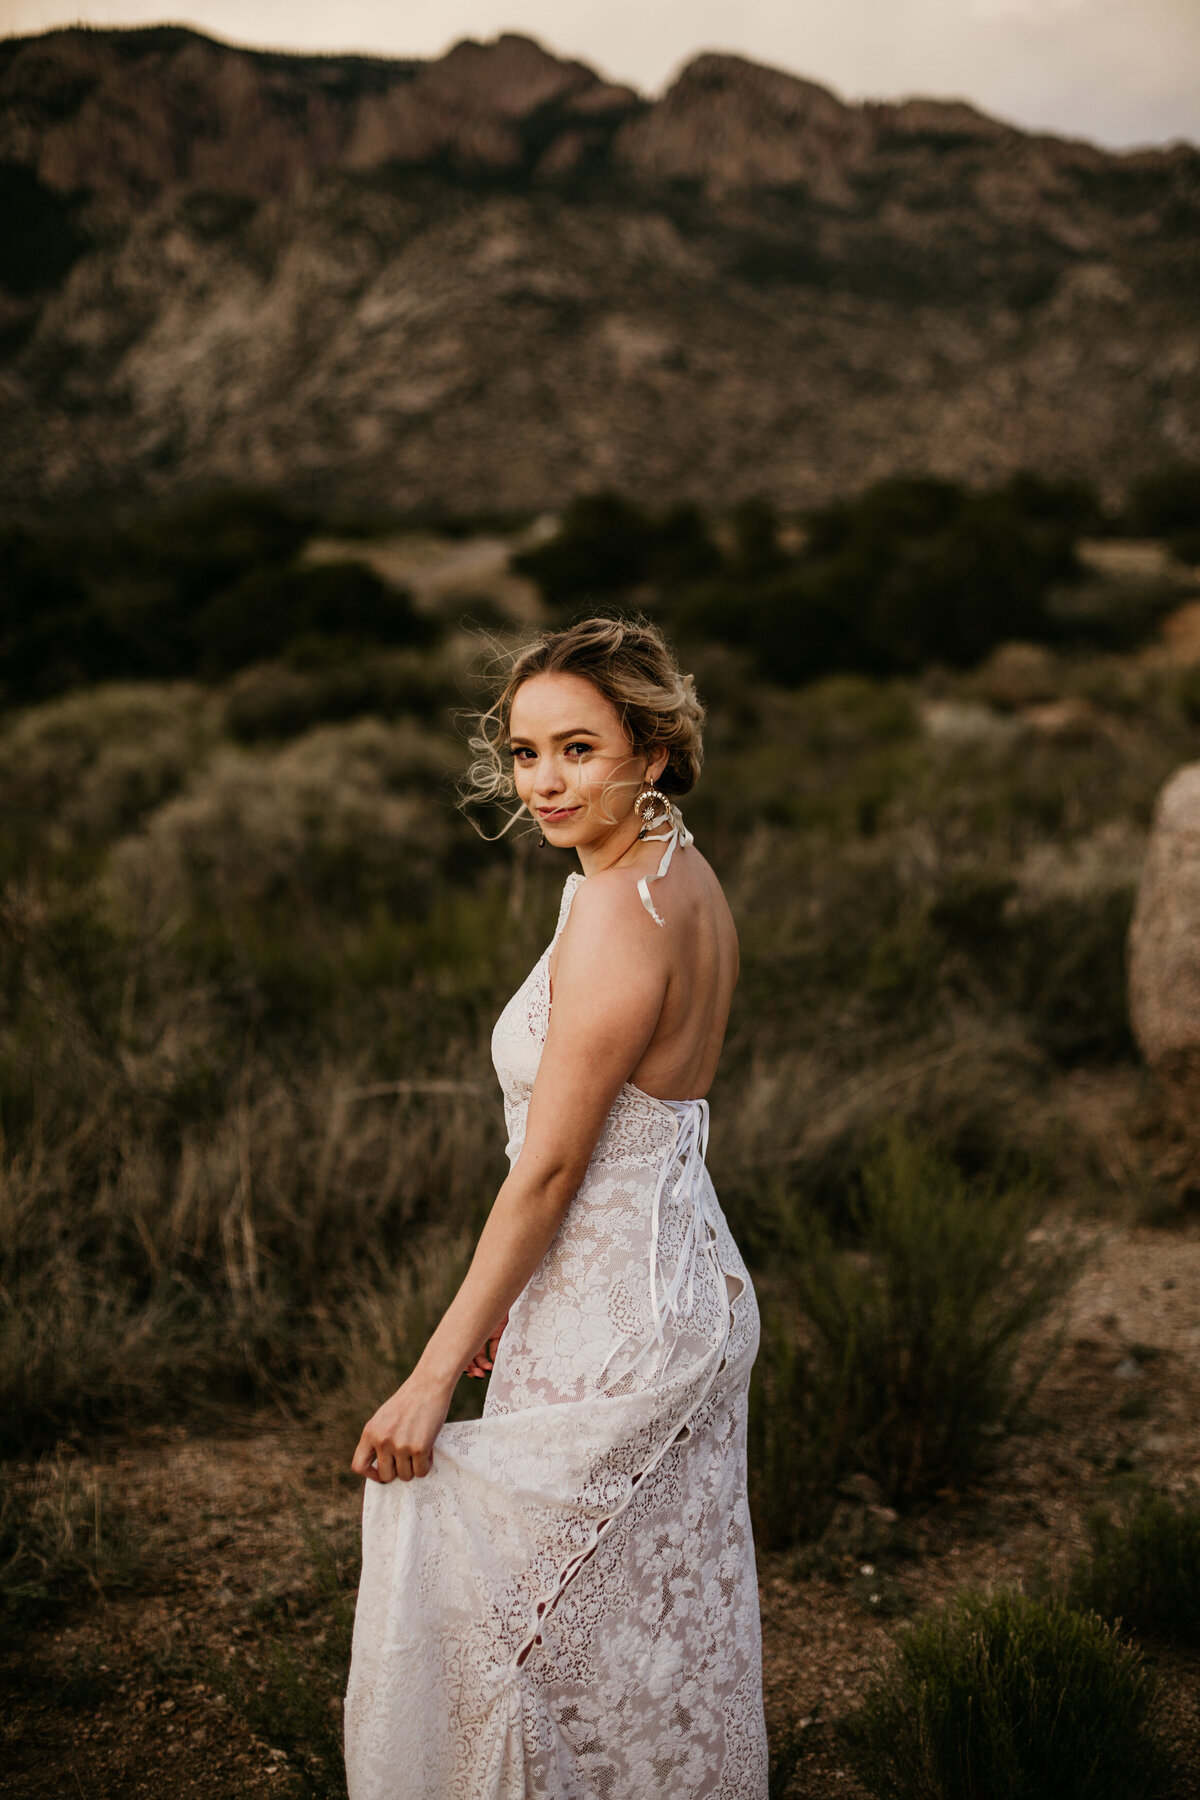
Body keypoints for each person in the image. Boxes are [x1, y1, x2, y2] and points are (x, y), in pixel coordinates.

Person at [344, 617, 767, 1799]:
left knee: (521, 1645)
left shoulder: (617, 915)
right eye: (525, 753)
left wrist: (431, 1374)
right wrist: (506, 1303)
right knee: (630, 1649)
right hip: (669, 1284)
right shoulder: (679, 873)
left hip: (621, 1326)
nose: (543, 783)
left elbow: (546, 1174)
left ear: (650, 747)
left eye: (578, 749)